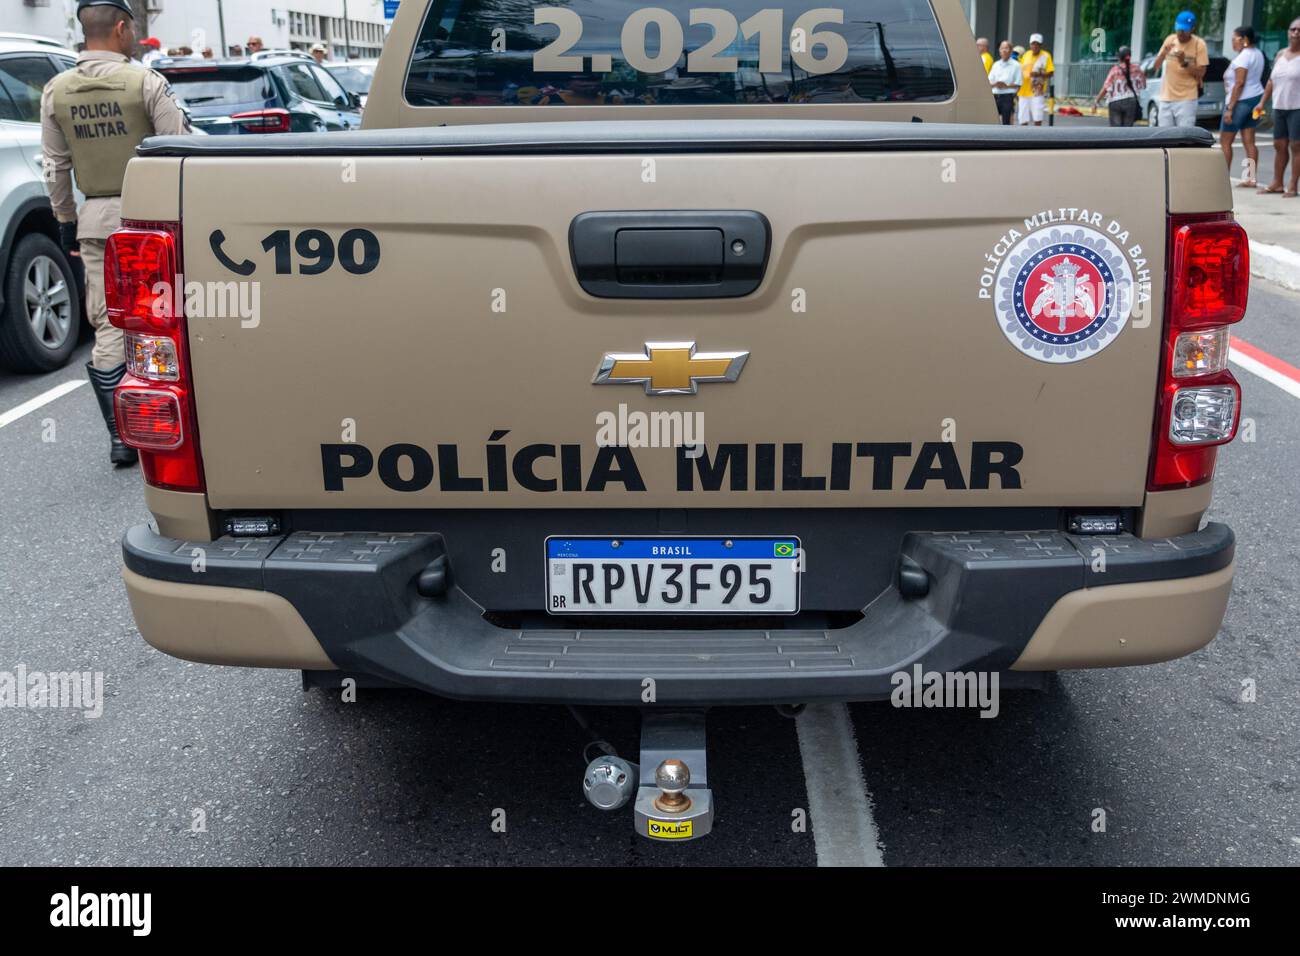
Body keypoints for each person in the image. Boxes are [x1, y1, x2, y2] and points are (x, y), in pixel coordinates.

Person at [40, 0, 190, 466]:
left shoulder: (55, 91)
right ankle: (175, 421)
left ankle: (121, 438)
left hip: (98, 223)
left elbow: (54, 169)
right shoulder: (145, 82)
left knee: (108, 324)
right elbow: (179, 147)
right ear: (122, 28)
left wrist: (66, 222)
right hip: (155, 221)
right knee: (173, 316)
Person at [1259, 18, 1300, 196]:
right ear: (1288, 32)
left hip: (1297, 107)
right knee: (1279, 145)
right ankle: (1277, 182)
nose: (1296, 33)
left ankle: (1292, 185)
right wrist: (1262, 102)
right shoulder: (1280, 54)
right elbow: (1271, 81)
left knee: (1296, 146)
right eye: (1293, 29)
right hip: (1279, 106)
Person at [1221, 26, 1265, 186]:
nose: (1233, 42)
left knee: (1225, 141)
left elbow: (1239, 83)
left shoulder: (1242, 58)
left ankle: (1223, 178)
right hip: (1254, 98)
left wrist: (1230, 108)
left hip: (1240, 102)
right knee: (1249, 141)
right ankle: (1251, 178)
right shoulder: (1258, 54)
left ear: (1244, 39)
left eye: (1234, 38)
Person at [1152, 10, 1209, 127]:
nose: (1181, 33)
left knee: (1184, 137)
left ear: (1192, 29)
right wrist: (1163, 54)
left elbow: (1201, 73)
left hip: (1186, 99)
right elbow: (1155, 66)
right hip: (1166, 98)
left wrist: (1184, 62)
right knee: (1164, 136)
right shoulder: (1170, 39)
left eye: (1185, 30)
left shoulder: (1199, 44)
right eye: (1179, 29)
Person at [1094, 45, 1145, 126]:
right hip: (1131, 102)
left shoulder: (1115, 70)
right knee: (1127, 131)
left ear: (1119, 57)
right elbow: (1143, 85)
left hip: (1115, 102)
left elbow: (1106, 87)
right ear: (1130, 56)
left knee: (1116, 132)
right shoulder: (1137, 69)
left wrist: (1096, 101)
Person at [1018, 33, 1053, 126]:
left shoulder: (1046, 56)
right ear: (1030, 44)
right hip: (1023, 90)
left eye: (1037, 44)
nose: (1035, 46)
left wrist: (1038, 74)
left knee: (1037, 117)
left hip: (1037, 91)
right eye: (1033, 43)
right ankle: (1023, 138)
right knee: (1022, 118)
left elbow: (1051, 72)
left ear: (1041, 45)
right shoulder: (1026, 55)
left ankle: (1037, 137)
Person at [988, 40, 1020, 125]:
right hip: (995, 96)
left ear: (1011, 50)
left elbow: (1018, 83)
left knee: (1007, 123)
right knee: (991, 122)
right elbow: (989, 82)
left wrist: (1006, 86)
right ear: (999, 50)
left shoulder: (1016, 65)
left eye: (1006, 48)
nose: (1004, 50)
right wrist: (996, 84)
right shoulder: (996, 64)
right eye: (1002, 48)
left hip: (1007, 97)